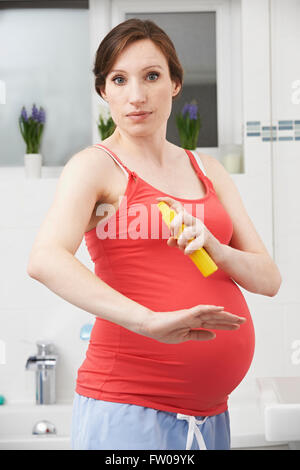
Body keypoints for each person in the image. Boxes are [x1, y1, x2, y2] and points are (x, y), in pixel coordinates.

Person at [27, 18, 282, 450]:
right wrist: (150, 322)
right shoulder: (95, 167)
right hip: (128, 407)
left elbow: (268, 280)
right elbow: (45, 258)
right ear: (103, 91)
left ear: (175, 83)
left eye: (151, 76)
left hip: (209, 416)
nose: (136, 96)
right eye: (119, 79)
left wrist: (218, 250)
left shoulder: (209, 170)